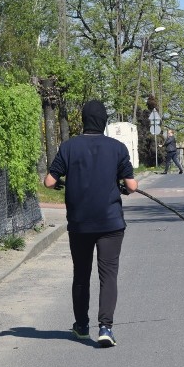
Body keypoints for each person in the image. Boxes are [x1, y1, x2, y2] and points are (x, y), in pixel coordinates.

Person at [43, 100, 138, 348]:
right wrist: (120, 186)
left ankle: (82, 326)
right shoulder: (117, 148)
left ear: (84, 120)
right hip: (110, 223)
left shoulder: (69, 146)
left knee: (81, 274)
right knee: (108, 275)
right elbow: (132, 186)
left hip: (80, 223)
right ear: (104, 122)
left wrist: (66, 180)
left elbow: (49, 182)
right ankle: (105, 327)